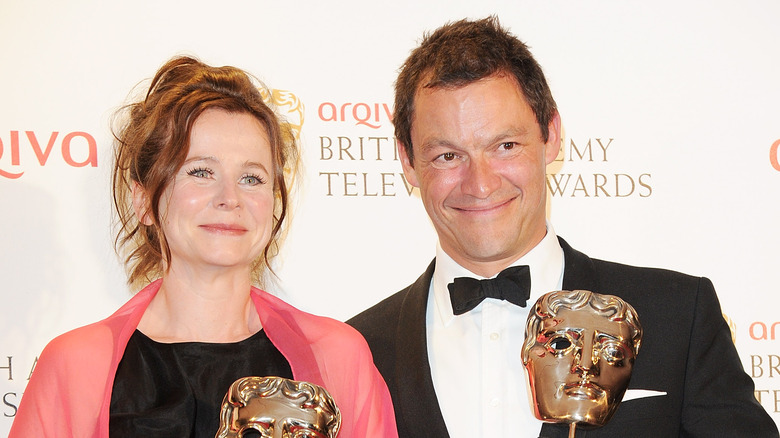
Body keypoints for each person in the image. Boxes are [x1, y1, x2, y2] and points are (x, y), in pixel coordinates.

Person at [347, 17, 778, 438]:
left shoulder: (677, 317)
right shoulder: (354, 352)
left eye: (505, 146)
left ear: (551, 134)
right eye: (447, 156)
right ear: (407, 161)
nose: (480, 183)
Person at [10, 56, 397, 438]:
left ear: (275, 201)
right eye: (201, 172)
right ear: (143, 201)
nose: (230, 198)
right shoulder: (76, 365)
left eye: (251, 178)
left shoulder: (335, 356)